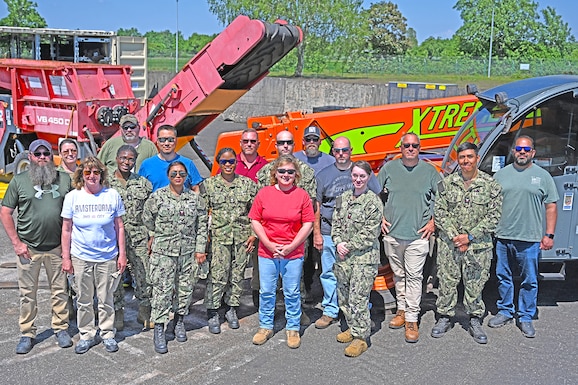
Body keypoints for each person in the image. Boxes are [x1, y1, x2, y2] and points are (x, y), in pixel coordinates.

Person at [0, 139, 73, 354]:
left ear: (52, 156)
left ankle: (60, 328)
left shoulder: (64, 179)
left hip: (57, 248)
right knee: (27, 293)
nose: (42, 157)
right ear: (30, 157)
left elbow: (73, 214)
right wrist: (16, 243)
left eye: (46, 153)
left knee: (60, 291)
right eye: (37, 154)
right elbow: (5, 212)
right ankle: (27, 332)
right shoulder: (19, 181)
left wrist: (68, 249)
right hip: (28, 248)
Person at [432, 142, 502, 344]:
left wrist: (469, 237)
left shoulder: (491, 185)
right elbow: (440, 212)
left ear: (477, 159)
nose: (465, 161)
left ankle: (474, 319)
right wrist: (457, 237)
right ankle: (444, 317)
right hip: (450, 245)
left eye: (469, 157)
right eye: (462, 157)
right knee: (447, 282)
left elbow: (494, 216)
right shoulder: (446, 183)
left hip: (478, 247)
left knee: (475, 284)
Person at [488, 135, 559, 338]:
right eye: (519, 149)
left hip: (529, 239)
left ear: (533, 153)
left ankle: (526, 316)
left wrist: (549, 234)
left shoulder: (543, 176)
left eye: (526, 150)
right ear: (513, 151)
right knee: (503, 277)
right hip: (503, 237)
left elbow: (551, 206)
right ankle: (505, 311)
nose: (522, 152)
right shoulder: (500, 175)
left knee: (529, 280)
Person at [377, 132, 441, 343]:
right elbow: (374, 194)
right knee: (398, 275)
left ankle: (412, 319)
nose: (411, 149)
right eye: (407, 145)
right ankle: (401, 310)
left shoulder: (429, 171)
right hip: (393, 234)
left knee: (414, 277)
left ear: (419, 148)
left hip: (417, 236)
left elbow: (445, 197)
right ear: (401, 148)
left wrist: (433, 222)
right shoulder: (389, 169)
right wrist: (380, 217)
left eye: (414, 145)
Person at [61, 156, 127, 354]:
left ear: (101, 175)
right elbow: (66, 229)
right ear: (81, 175)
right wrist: (66, 257)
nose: (92, 176)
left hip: (107, 257)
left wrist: (122, 254)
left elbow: (120, 226)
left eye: (96, 172)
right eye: (87, 172)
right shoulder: (73, 197)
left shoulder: (112, 195)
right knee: (83, 299)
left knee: (106, 298)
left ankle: (107, 334)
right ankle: (86, 334)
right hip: (81, 257)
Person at [314, 136, 381, 329]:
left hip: (358, 241)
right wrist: (318, 234)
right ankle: (331, 310)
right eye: (337, 151)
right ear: (332, 152)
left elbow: (376, 198)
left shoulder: (362, 172)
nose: (341, 154)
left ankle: (358, 313)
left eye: (344, 150)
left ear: (351, 150)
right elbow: (317, 206)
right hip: (331, 233)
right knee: (329, 273)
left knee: (357, 277)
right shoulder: (323, 175)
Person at [249, 155, 315, 349]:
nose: (286, 175)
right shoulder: (264, 193)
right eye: (282, 171)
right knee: (267, 291)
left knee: (292, 292)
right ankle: (265, 326)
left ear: (296, 175)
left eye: (290, 172)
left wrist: (291, 246)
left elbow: (308, 223)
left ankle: (293, 327)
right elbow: (255, 220)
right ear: (275, 174)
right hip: (267, 251)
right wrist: (268, 244)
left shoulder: (302, 195)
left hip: (292, 252)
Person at [142, 161, 208, 354]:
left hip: (187, 253)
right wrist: (154, 234)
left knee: (185, 290)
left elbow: (202, 225)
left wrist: (200, 249)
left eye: (181, 174)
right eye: (173, 174)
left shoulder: (195, 199)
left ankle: (179, 321)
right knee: (162, 291)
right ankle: (160, 328)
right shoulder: (158, 197)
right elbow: (147, 217)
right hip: (164, 253)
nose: (178, 177)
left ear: (186, 176)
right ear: (168, 176)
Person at [256, 130, 316, 321]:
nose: (285, 146)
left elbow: (311, 204)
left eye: (289, 143)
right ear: (276, 145)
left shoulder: (306, 171)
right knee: (268, 282)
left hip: (296, 234)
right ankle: (269, 315)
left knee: (295, 279)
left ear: (294, 144)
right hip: (270, 236)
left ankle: (297, 312)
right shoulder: (264, 172)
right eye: (281, 143)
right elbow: (259, 204)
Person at [201, 148, 258, 334]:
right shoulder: (209, 185)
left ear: (236, 163)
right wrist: (203, 243)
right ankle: (213, 310)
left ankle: (232, 308)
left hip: (242, 238)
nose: (228, 165)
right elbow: (201, 215)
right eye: (224, 162)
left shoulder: (247, 185)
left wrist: (253, 234)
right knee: (217, 276)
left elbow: (256, 211)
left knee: (237, 275)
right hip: (219, 238)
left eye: (231, 161)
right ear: (218, 163)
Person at [331, 160, 382, 357]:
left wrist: (348, 245)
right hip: (343, 257)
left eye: (362, 176)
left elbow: (370, 234)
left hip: (363, 258)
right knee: (343, 296)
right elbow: (335, 224)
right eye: (355, 175)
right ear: (350, 176)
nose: (358, 179)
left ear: (368, 177)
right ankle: (352, 327)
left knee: (358, 298)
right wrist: (337, 242)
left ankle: (361, 338)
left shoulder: (373, 202)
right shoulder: (343, 198)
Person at [109, 145, 154, 330]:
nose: (126, 162)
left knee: (144, 275)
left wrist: (152, 235)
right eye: (123, 158)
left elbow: (150, 212)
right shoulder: (105, 183)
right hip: (112, 237)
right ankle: (118, 311)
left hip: (138, 236)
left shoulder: (143, 184)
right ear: (116, 158)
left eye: (130, 159)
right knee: (115, 276)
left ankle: (144, 310)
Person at [293, 126, 335, 304]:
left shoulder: (330, 160)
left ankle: (326, 293)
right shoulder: (294, 159)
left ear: (320, 142)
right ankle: (305, 289)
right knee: (302, 255)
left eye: (315, 139)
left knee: (321, 254)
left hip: (319, 213)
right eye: (308, 139)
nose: (311, 143)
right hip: (297, 216)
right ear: (303, 141)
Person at [235, 128, 268, 307]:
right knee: (234, 263)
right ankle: (231, 300)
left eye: (252, 141)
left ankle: (257, 295)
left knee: (259, 262)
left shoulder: (266, 166)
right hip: (236, 224)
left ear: (258, 144)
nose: (249, 144)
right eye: (246, 141)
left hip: (260, 223)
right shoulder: (231, 163)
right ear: (240, 143)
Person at [139, 124, 203, 192]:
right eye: (162, 140)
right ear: (157, 142)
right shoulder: (146, 165)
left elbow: (196, 188)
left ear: (176, 141)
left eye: (170, 140)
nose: (166, 143)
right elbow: (141, 190)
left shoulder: (188, 164)